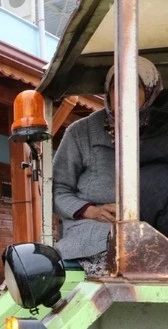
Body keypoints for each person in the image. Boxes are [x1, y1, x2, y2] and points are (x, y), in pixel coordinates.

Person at [53, 57, 165, 275]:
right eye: (116, 86)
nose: (123, 93)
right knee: (121, 259)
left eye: (135, 86)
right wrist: (91, 211)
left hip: (153, 228)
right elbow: (58, 190)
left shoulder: (162, 130)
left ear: (150, 91)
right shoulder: (81, 132)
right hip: (92, 232)